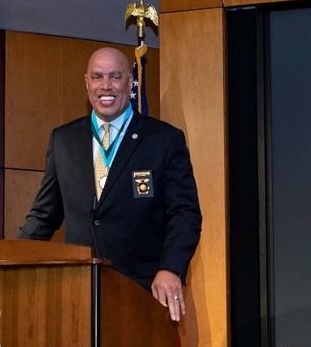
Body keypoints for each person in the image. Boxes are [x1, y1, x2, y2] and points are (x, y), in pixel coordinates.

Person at [17, 47, 202, 322]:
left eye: (115, 77)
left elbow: (185, 214)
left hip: (143, 293)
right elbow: (44, 217)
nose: (106, 85)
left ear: (130, 82)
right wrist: (10, 260)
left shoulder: (164, 140)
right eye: (97, 76)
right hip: (77, 296)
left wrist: (171, 269)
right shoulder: (63, 140)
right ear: (87, 83)